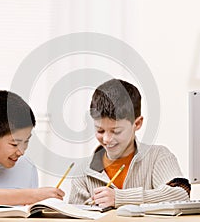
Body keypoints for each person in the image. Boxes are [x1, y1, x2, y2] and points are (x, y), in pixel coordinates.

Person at [69, 79, 190, 208]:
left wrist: (120, 198)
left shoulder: (158, 156)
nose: (107, 139)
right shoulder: (83, 172)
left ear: (137, 124)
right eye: (100, 130)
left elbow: (182, 193)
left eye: (116, 131)